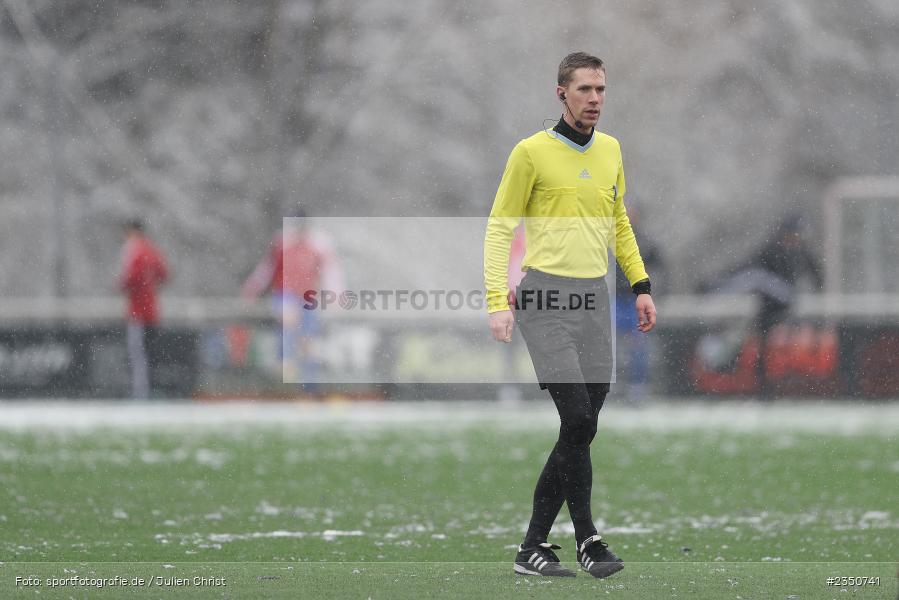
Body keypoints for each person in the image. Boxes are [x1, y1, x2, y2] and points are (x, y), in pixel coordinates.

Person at [484, 52, 656, 579]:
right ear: (562, 94)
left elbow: (619, 226)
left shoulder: (611, 151)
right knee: (578, 419)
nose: (595, 99)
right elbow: (499, 226)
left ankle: (532, 547)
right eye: (584, 90)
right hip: (544, 299)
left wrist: (640, 285)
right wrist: (497, 300)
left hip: (595, 298)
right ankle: (587, 539)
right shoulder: (531, 153)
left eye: (601, 90)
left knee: (580, 429)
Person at [242, 209, 342, 389]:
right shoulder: (282, 243)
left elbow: (330, 272)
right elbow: (267, 269)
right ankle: (285, 369)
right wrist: (252, 289)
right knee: (288, 326)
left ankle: (309, 383)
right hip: (285, 293)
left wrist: (335, 294)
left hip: (307, 295)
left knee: (308, 339)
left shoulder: (319, 245)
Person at [119, 218, 168, 400]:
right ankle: (149, 391)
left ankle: (142, 393)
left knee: (138, 354)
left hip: (137, 311)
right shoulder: (151, 250)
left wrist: (120, 285)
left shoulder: (134, 250)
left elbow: (131, 277)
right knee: (149, 353)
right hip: (152, 310)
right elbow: (164, 273)